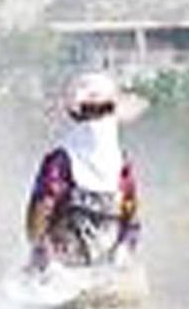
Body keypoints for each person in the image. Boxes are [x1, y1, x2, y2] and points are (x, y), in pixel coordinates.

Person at [26, 70, 144, 276]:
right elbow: (131, 216)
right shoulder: (119, 162)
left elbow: (42, 206)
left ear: (73, 113)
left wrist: (38, 252)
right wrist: (124, 252)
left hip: (62, 264)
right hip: (106, 264)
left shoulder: (61, 159)